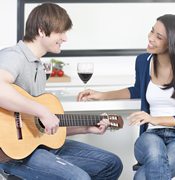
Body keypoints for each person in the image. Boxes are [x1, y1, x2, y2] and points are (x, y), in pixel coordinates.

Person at [0, 2, 123, 180]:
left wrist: (85, 128)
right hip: (12, 154)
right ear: (42, 31)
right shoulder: (14, 56)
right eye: (61, 32)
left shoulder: (39, 67)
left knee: (112, 164)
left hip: (36, 147)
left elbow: (41, 127)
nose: (65, 38)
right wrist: (42, 110)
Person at [77, 14, 175, 180]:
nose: (150, 38)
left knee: (143, 175)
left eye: (158, 36)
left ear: (172, 43)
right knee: (155, 156)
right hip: (151, 135)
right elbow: (137, 91)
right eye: (152, 31)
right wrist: (102, 95)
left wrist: (156, 119)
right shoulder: (143, 61)